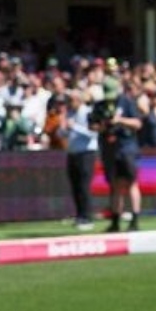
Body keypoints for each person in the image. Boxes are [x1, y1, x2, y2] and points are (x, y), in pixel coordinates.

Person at [91, 75, 144, 232]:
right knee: (114, 185)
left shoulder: (127, 102)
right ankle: (115, 220)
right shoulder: (100, 106)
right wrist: (102, 126)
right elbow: (92, 125)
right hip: (109, 148)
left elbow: (137, 123)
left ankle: (135, 219)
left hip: (127, 147)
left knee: (131, 183)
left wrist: (120, 120)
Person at [61, 88, 99, 231]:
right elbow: (63, 133)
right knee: (75, 186)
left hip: (86, 153)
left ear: (79, 99)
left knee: (84, 186)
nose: (69, 103)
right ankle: (79, 215)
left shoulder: (87, 112)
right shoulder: (70, 113)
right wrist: (64, 128)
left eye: (71, 100)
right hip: (73, 153)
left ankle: (87, 217)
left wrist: (74, 127)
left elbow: (93, 133)